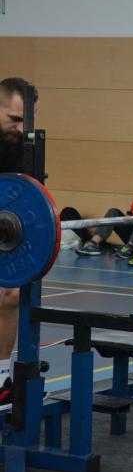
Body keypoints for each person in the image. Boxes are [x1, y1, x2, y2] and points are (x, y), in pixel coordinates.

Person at [0, 77, 38, 409]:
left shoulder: (23, 144)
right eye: (14, 119)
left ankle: (1, 378)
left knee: (12, 295)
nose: (21, 127)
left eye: (26, 119)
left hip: (7, 227)